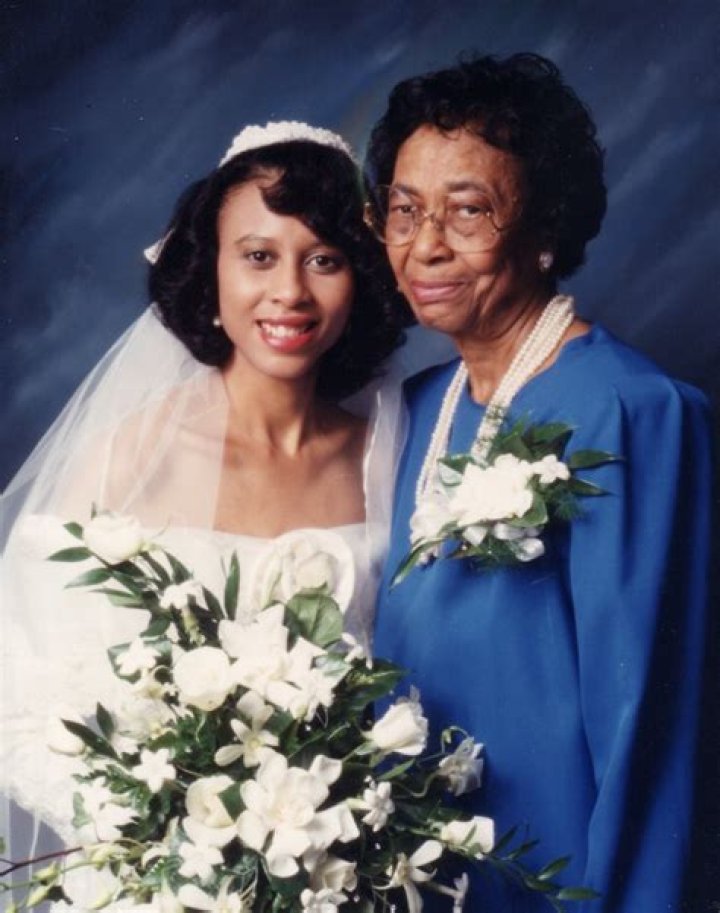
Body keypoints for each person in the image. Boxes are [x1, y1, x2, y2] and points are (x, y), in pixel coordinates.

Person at [0, 121, 406, 907]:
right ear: (210, 269)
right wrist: (172, 840)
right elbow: (16, 698)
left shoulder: (385, 456)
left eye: (323, 259)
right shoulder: (132, 456)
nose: (290, 291)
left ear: (359, 278)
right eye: (258, 256)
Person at [366, 54, 712, 912]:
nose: (426, 244)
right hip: (427, 881)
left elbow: (652, 730)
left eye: (468, 210)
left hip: (562, 881)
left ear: (545, 226)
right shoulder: (417, 406)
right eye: (405, 210)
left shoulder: (633, 412)